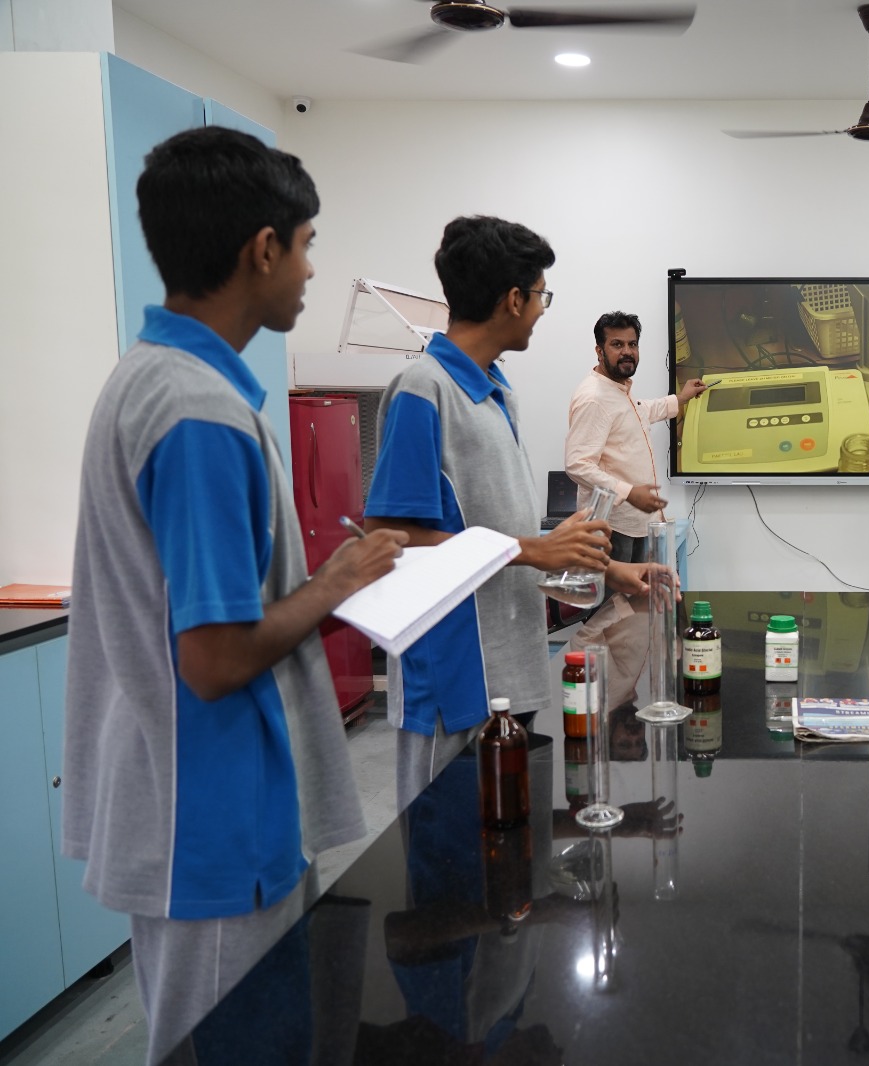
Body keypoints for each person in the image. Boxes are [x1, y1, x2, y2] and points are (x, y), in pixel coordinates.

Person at [60, 126, 407, 1064]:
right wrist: (334, 582)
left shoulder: (153, 378)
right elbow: (213, 660)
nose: (309, 270)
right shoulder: (199, 413)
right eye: (306, 246)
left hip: (196, 805)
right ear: (262, 249)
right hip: (211, 822)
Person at [364, 219, 654, 805]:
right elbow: (388, 539)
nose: (543, 309)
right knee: (450, 843)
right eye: (542, 295)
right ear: (514, 299)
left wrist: (608, 569)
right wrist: (533, 548)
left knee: (511, 840)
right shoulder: (424, 390)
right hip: (456, 679)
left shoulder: (497, 389)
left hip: (510, 666)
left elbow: (496, 534)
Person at [565, 311, 707, 564]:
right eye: (617, 344)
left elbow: (641, 411)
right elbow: (577, 464)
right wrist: (629, 492)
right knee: (614, 592)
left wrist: (681, 398)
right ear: (599, 351)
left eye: (632, 344)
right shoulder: (594, 398)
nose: (627, 352)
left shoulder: (618, 389)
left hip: (635, 523)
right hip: (612, 528)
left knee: (637, 590)